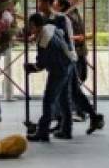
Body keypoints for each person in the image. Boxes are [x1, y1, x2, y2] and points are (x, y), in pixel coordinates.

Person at [55, 0, 105, 135]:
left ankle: (63, 124)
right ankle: (93, 117)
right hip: (69, 58)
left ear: (60, 6)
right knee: (74, 91)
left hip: (67, 59)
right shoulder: (64, 16)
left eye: (54, 2)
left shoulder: (63, 19)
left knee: (61, 92)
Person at [26, 12, 75, 142]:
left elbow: (41, 64)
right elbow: (61, 33)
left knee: (48, 100)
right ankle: (66, 130)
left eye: (31, 27)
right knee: (64, 99)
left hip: (59, 69)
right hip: (68, 63)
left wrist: (31, 67)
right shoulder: (50, 27)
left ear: (36, 26)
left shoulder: (44, 42)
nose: (30, 30)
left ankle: (42, 132)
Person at [63, 0, 88, 84]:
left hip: (81, 50)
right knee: (74, 78)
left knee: (82, 76)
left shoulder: (75, 11)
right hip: (72, 51)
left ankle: (73, 97)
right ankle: (71, 98)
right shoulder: (64, 14)